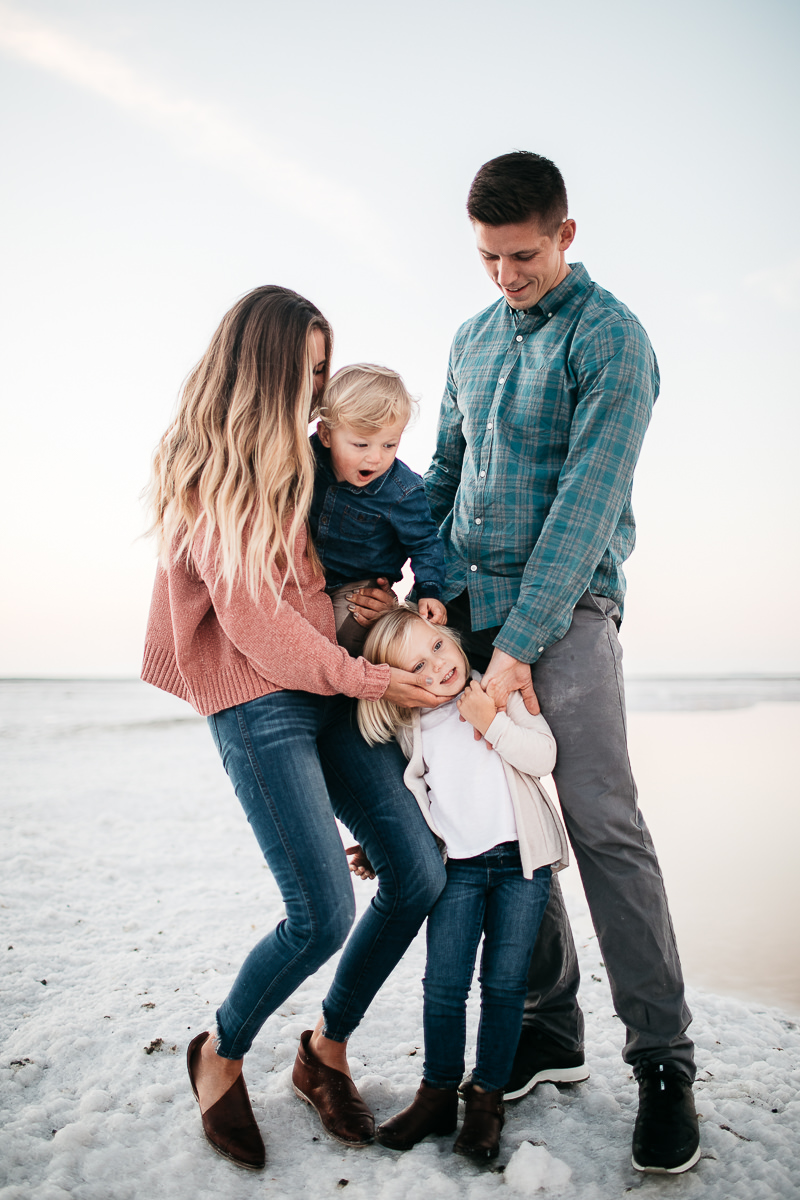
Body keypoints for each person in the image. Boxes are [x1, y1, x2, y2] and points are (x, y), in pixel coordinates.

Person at [351, 152, 700, 1175]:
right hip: (466, 610)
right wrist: (415, 595)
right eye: (487, 257)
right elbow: (444, 479)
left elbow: (584, 511)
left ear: (565, 235)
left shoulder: (613, 341)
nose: (503, 274)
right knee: (499, 827)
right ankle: (549, 1028)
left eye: (521, 254)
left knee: (597, 822)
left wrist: (513, 654)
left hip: (568, 609)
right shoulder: (467, 338)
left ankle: (663, 1061)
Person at [141, 285, 447, 1171]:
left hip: (329, 683)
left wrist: (366, 606)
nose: (319, 391)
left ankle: (325, 1052)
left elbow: (318, 588)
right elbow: (257, 622)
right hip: (256, 696)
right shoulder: (211, 465)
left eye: (325, 371)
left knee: (418, 871)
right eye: (308, 371)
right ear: (263, 367)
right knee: (318, 913)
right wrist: (369, 672)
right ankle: (221, 1051)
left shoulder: (309, 461)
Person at [349, 606, 568, 1160]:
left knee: (503, 987)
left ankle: (487, 1100)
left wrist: (490, 720)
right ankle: (438, 1091)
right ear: (399, 685)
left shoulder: (496, 691)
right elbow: (414, 807)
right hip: (460, 871)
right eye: (416, 667)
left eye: (438, 649)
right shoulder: (414, 728)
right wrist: (381, 850)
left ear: (453, 641)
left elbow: (544, 756)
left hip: (523, 867)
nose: (436, 668)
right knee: (444, 985)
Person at [310, 362, 446, 655]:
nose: (376, 458)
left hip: (359, 587)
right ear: (325, 436)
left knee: (342, 638)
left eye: (389, 445)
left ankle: (348, 696)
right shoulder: (306, 460)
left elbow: (425, 544)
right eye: (361, 445)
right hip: (308, 573)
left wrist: (430, 591)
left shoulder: (402, 491)